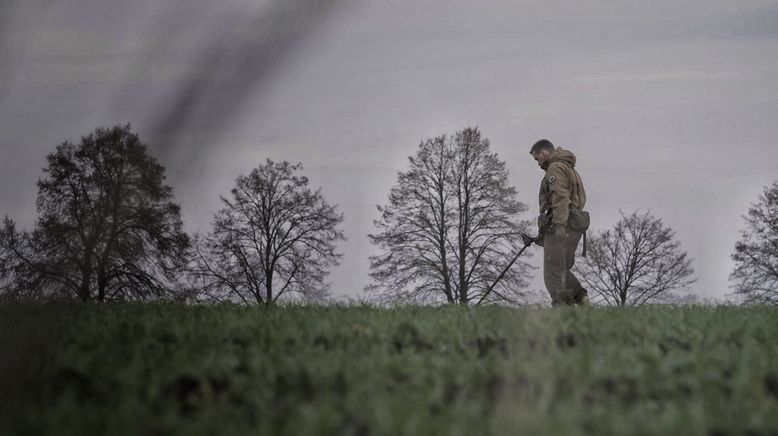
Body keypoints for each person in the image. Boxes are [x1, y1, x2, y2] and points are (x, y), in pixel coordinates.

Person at [528, 139, 590, 306]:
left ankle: (562, 309)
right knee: (561, 268)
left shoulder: (555, 167)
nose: (538, 163)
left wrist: (560, 226)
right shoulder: (569, 167)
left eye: (537, 158)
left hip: (562, 225)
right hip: (574, 226)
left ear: (544, 153)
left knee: (552, 271)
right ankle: (582, 299)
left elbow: (560, 197)